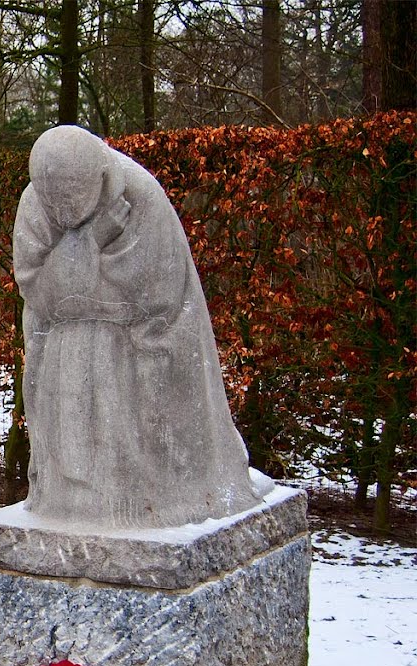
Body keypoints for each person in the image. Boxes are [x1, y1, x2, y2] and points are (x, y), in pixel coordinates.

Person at [14, 125, 270, 527]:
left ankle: (140, 500)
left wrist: (78, 290)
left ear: (98, 178)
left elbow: (153, 301)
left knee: (116, 385)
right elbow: (39, 294)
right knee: (69, 364)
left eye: (71, 202)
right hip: (65, 350)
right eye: (52, 203)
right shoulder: (34, 203)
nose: (60, 214)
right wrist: (90, 242)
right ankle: (76, 499)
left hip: (144, 346)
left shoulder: (140, 197)